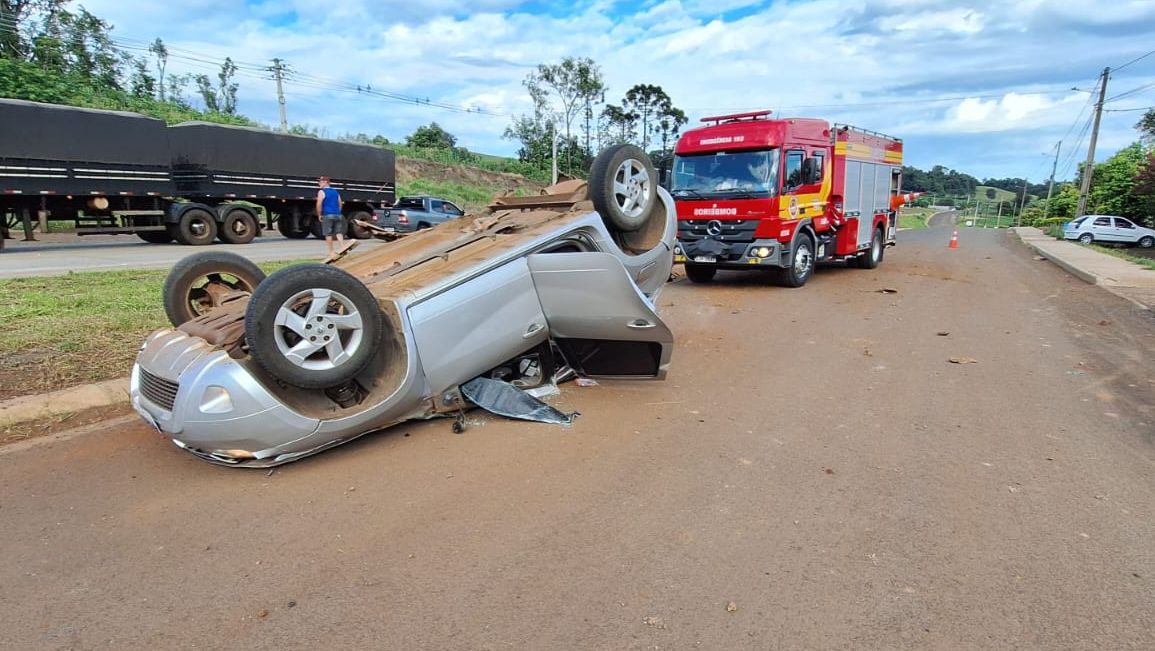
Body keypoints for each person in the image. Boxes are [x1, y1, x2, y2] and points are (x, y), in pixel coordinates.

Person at [315, 176, 344, 256]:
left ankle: (331, 252)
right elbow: (340, 203)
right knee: (339, 232)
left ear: (325, 182)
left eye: (320, 182)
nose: (319, 183)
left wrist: (319, 214)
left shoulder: (321, 192)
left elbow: (319, 204)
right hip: (337, 215)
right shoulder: (335, 192)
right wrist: (338, 211)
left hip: (328, 215)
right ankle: (343, 247)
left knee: (328, 234)